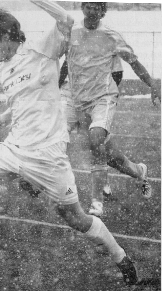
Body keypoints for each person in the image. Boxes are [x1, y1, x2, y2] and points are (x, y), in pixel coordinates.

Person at [0, 1, 138, 286]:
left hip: (48, 157)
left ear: (6, 36)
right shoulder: (1, 71)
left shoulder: (42, 49)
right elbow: (25, 100)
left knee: (76, 218)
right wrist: (5, 115)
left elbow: (66, 18)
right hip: (13, 149)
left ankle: (122, 258)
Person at [63, 2, 160, 216]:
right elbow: (64, 62)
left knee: (96, 140)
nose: (92, 11)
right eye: (88, 6)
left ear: (103, 12)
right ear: (82, 8)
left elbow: (133, 62)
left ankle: (96, 201)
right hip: (77, 99)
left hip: (103, 98)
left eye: (96, 8)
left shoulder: (111, 36)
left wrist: (152, 84)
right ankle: (138, 171)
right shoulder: (72, 32)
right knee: (109, 154)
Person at [59, 56, 123, 199]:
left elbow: (117, 74)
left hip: (93, 100)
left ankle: (134, 173)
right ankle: (61, 186)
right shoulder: (75, 40)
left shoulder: (107, 42)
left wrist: (102, 94)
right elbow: (65, 66)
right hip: (71, 97)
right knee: (58, 138)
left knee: (99, 146)